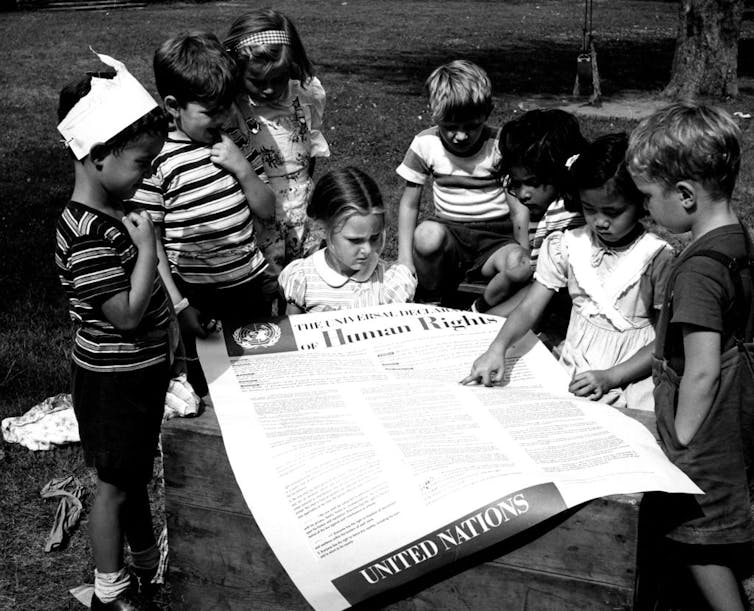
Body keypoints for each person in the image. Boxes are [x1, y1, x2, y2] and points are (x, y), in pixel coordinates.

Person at [55, 52, 173, 609]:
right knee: (113, 485)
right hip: (112, 379)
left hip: (137, 375)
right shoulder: (84, 233)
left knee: (132, 473)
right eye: (141, 162)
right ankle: (110, 589)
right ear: (97, 154)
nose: (148, 174)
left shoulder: (111, 212)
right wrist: (148, 249)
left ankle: (149, 565)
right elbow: (124, 314)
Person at [627, 102, 754, 610]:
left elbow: (700, 369)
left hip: (704, 428)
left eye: (647, 198)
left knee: (699, 534)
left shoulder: (697, 269)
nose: (645, 210)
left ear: (684, 194)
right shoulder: (740, 242)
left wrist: (681, 438)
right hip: (738, 409)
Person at [462, 133, 674, 412]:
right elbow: (528, 308)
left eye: (612, 212)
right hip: (575, 365)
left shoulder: (655, 257)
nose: (600, 222)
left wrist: (612, 376)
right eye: (589, 209)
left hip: (632, 374)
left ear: (640, 203)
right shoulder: (567, 245)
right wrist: (498, 348)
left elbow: (664, 338)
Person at [130, 31, 275, 399]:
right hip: (198, 294)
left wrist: (242, 169)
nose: (224, 117)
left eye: (227, 106)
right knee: (206, 388)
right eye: (211, 111)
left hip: (249, 283)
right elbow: (153, 243)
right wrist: (180, 305)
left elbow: (267, 210)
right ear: (173, 105)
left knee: (262, 377)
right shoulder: (156, 159)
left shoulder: (232, 143)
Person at [395, 59, 529, 305]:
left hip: (496, 240)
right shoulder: (426, 144)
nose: (461, 136)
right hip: (450, 239)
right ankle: (432, 297)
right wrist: (405, 258)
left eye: (471, 126)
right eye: (450, 127)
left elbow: (518, 207)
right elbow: (409, 204)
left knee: (518, 263)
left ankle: (488, 306)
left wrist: (524, 252)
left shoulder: (500, 144)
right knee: (426, 235)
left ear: (487, 113)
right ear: (435, 113)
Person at [224, 8, 330, 277]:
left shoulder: (306, 95)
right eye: (257, 81)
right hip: (257, 221)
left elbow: (309, 149)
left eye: (278, 79)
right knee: (263, 290)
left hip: (304, 215)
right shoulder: (233, 108)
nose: (269, 89)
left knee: (305, 287)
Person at [476, 108, 588, 316]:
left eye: (532, 183)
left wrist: (494, 318)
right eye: (516, 184)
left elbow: (544, 293)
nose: (523, 194)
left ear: (559, 172)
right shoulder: (558, 206)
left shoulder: (563, 217)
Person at [278, 167, 417, 313]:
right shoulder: (303, 279)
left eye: (374, 237)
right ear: (321, 229)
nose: (368, 250)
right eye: (355, 240)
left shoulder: (390, 283)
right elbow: (292, 333)